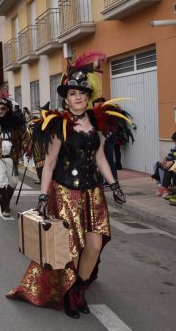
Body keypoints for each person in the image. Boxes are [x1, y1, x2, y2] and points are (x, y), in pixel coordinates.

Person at [7, 51, 133, 319]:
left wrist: (114, 186)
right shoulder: (58, 126)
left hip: (93, 193)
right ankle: (71, 295)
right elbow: (50, 164)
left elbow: (100, 157)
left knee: (94, 245)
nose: (78, 98)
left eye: (82, 94)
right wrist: (43, 196)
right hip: (65, 193)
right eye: (73, 94)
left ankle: (79, 289)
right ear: (66, 98)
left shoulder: (96, 124)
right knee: (71, 247)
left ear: (88, 98)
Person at [151, 131, 176, 197]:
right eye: (174, 141)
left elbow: (172, 161)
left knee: (166, 167)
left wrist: (172, 162)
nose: (175, 143)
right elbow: (169, 156)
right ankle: (160, 185)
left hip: (174, 165)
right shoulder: (174, 147)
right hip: (173, 165)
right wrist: (164, 160)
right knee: (156, 164)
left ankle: (164, 187)